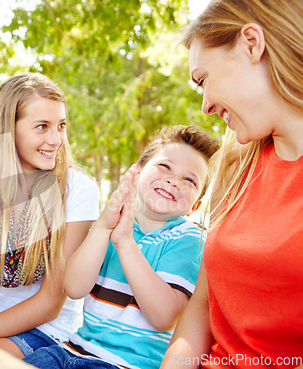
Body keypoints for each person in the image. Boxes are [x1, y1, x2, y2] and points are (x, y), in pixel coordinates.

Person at [159, 1, 303, 368]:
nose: (205, 106)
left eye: (203, 79)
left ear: (252, 44)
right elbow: (205, 304)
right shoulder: (236, 165)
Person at [24, 125, 220, 369]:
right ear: (136, 173)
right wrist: (104, 227)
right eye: (165, 166)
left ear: (195, 205)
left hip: (125, 364)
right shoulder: (107, 224)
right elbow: (74, 287)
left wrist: (125, 241)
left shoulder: (189, 239)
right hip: (70, 350)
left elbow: (164, 317)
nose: (173, 181)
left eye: (189, 180)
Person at [0, 73, 100, 358]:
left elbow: (50, 302)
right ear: (7, 129)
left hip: (46, 331)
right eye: (42, 127)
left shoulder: (77, 189)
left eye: (61, 126)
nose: (55, 139)